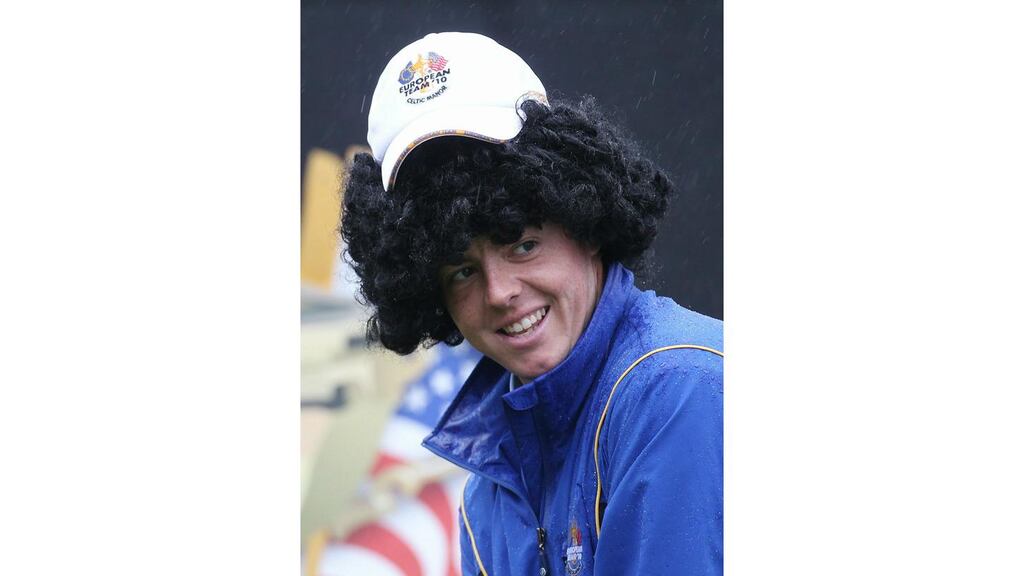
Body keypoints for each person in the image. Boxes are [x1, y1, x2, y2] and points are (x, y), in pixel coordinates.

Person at [342, 32, 723, 576]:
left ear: (586, 221)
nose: (499, 292)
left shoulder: (679, 390)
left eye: (522, 243)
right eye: (462, 271)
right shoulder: (488, 494)